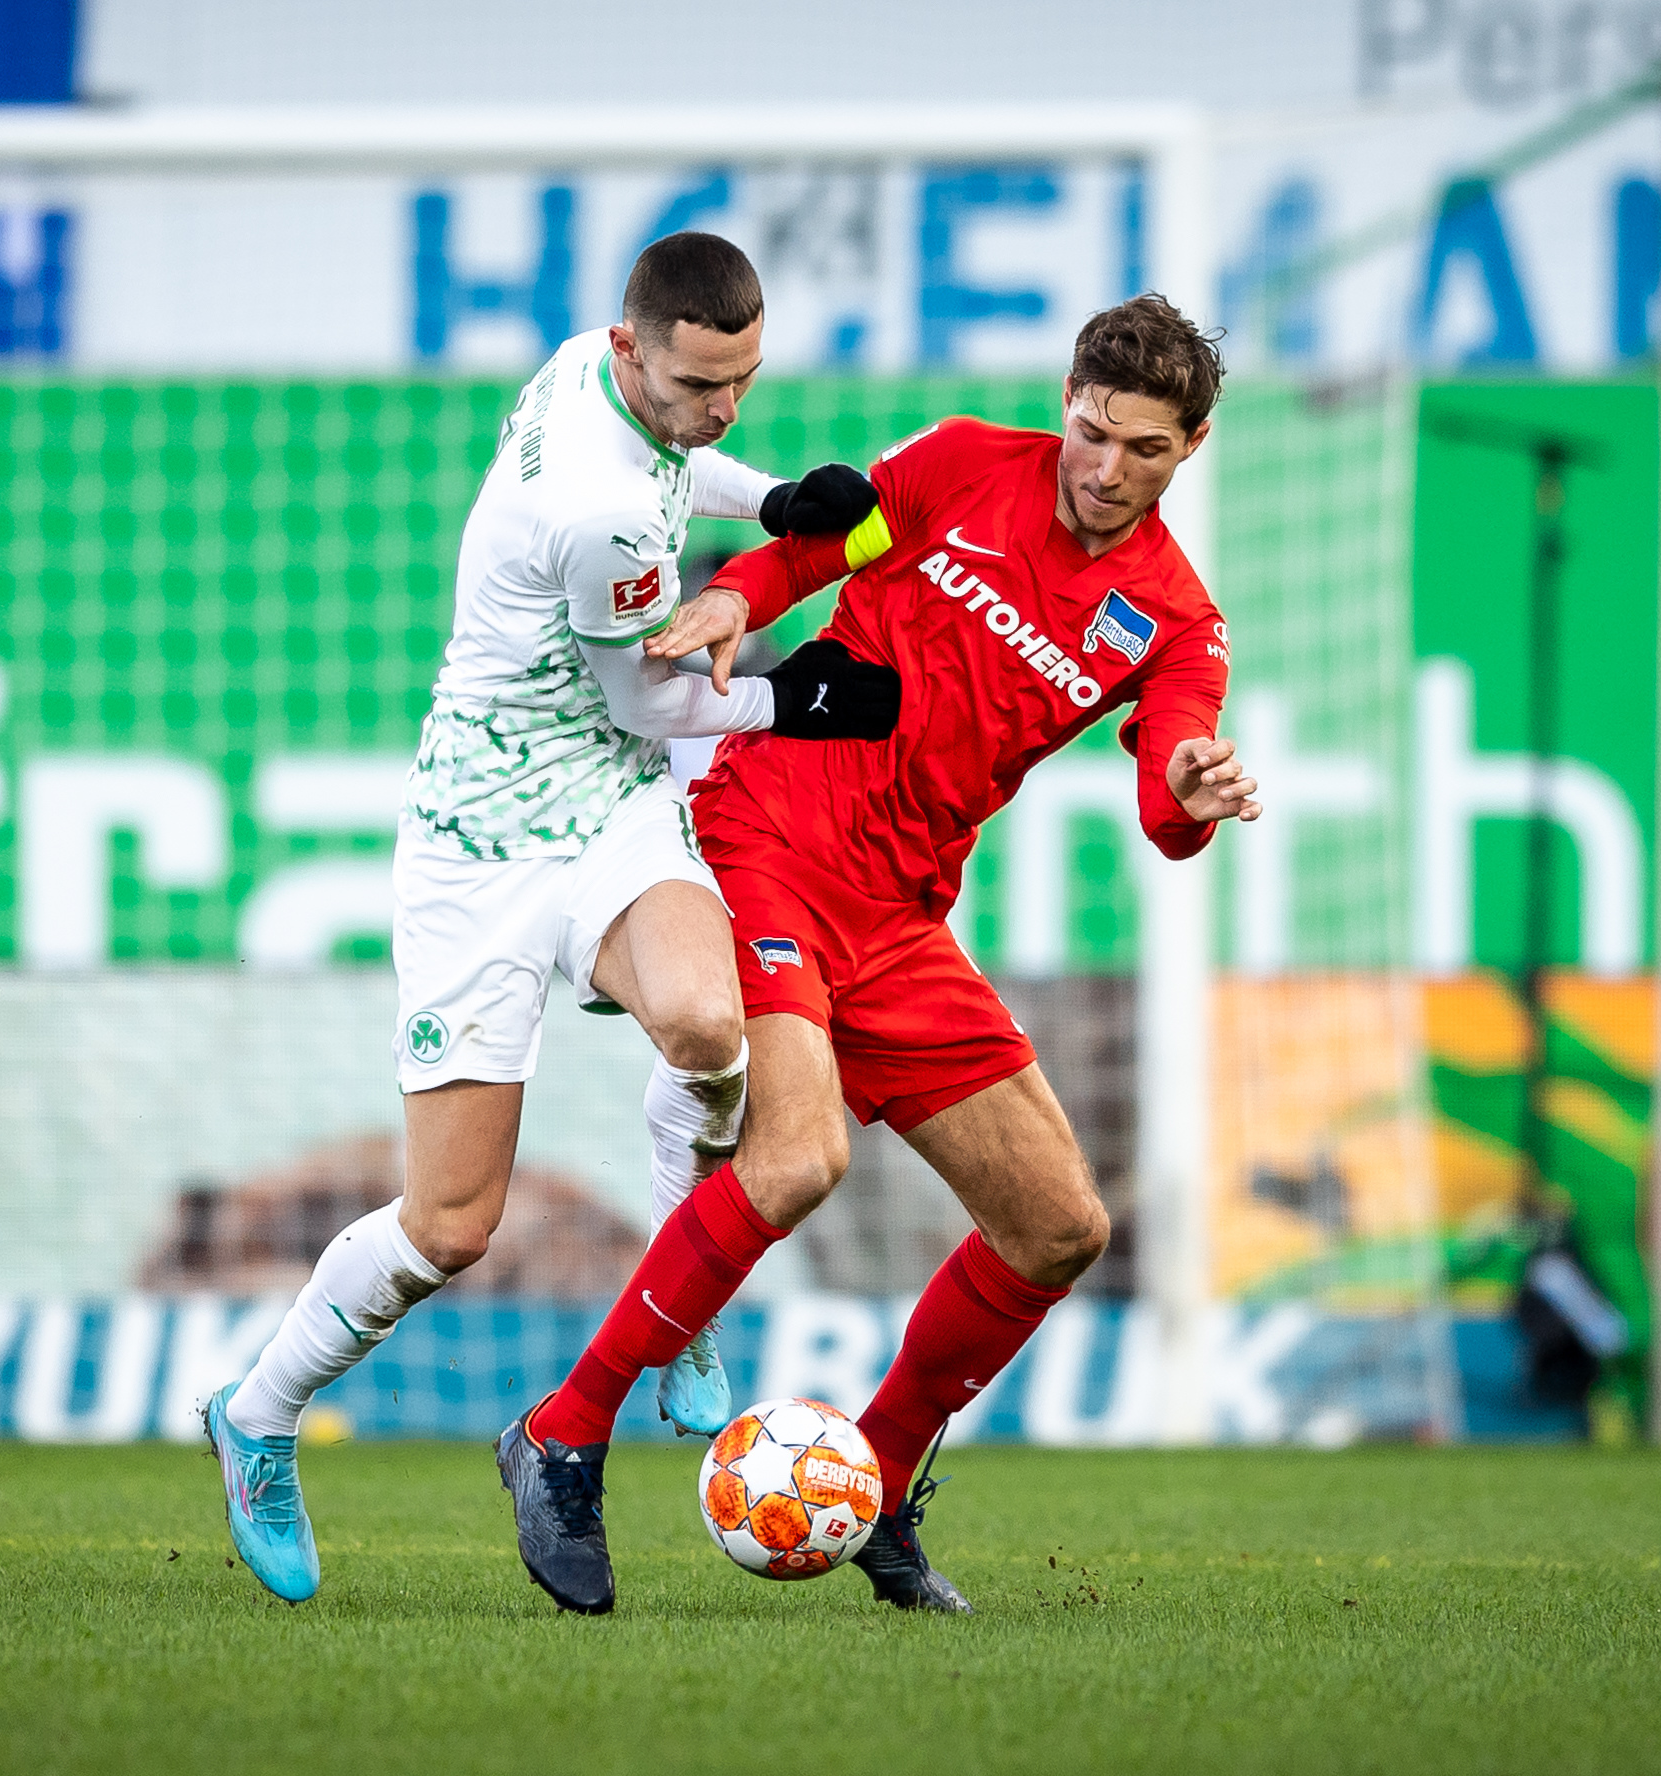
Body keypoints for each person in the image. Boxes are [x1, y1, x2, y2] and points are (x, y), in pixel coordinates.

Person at [500, 295, 1261, 1616]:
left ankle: (883, 1485)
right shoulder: (968, 458)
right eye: (1090, 431)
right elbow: (814, 548)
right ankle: (563, 1434)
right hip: (771, 832)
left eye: (1140, 449)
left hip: (901, 918)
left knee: (1056, 1226)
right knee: (798, 1158)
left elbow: (1166, 778)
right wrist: (735, 594)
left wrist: (1187, 792)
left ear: (1187, 447)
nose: (1102, 467)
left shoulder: (1175, 622)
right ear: (1064, 405)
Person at [205, 233, 897, 1604]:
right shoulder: (592, 514)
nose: (727, 409)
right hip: (477, 849)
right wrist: (793, 698)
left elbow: (677, 465)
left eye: (747, 380)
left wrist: (765, 502)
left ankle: (678, 1297)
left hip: (610, 810)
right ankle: (260, 1417)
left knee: (709, 1026)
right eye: (705, 384)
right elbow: (652, 694)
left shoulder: (590, 367)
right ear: (638, 349)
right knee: (452, 1223)